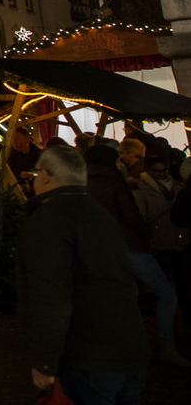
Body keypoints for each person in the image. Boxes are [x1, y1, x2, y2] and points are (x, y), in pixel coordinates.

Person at [16, 145, 153, 402]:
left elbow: (50, 296)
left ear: (45, 175)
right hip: (129, 350)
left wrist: (45, 362)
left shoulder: (50, 218)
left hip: (89, 358)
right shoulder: (99, 213)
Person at [85, 143, 187, 365]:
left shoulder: (83, 185)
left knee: (119, 297)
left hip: (101, 250)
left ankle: (119, 347)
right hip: (131, 248)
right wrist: (146, 234)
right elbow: (132, 217)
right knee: (167, 294)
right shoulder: (117, 184)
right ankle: (166, 347)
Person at [133, 157, 190, 315]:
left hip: (180, 240)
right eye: (156, 170)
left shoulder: (178, 187)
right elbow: (141, 218)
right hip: (160, 242)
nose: (161, 174)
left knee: (183, 283)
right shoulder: (140, 190)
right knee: (168, 283)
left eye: (163, 170)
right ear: (148, 171)